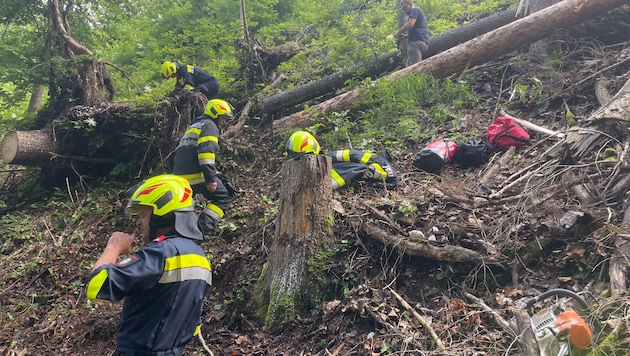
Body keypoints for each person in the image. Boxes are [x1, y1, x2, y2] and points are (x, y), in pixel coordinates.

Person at [85, 174, 212, 356]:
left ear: (163, 213)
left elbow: (96, 285)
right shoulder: (200, 257)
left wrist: (113, 247)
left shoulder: (160, 252)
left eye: (144, 214)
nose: (138, 222)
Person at [173, 98, 235, 239]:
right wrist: (211, 179)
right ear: (216, 114)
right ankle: (201, 231)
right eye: (224, 118)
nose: (224, 122)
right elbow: (205, 153)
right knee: (224, 196)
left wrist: (213, 172)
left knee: (185, 205)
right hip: (195, 176)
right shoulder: (210, 126)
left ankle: (182, 233)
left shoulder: (196, 125)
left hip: (180, 177)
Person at [285, 131, 399, 190]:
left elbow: (357, 156)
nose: (298, 163)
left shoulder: (333, 164)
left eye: (300, 158)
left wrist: (380, 164)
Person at [393, 0, 430, 67]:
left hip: (416, 43)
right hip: (423, 42)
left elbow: (410, 24)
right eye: (403, 9)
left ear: (410, 4)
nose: (404, 10)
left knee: (415, 67)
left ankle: (419, 76)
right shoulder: (416, 13)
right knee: (408, 65)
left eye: (405, 7)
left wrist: (399, 32)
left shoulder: (414, 10)